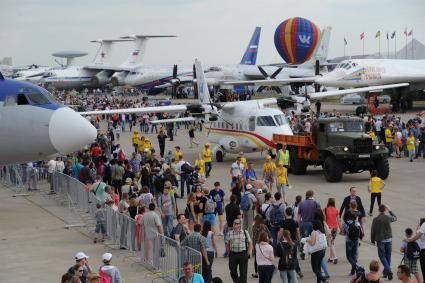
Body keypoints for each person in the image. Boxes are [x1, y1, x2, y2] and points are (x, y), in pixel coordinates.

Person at [371, 204, 397, 280]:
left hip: (381, 239)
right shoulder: (388, 217)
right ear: (385, 210)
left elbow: (373, 231)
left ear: (378, 210)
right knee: (388, 257)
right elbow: (395, 218)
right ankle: (386, 274)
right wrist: (390, 211)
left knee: (382, 256)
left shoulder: (376, 219)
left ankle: (388, 270)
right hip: (389, 239)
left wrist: (372, 240)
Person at [226, 218, 252, 283]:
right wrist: (229, 253)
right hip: (233, 254)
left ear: (240, 224)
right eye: (235, 223)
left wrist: (249, 251)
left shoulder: (245, 232)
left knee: (243, 272)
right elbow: (227, 243)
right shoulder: (229, 233)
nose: (236, 225)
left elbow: (250, 242)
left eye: (237, 223)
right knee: (233, 271)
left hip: (243, 254)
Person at [297, 190, 320, 260]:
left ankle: (302, 253)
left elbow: (299, 216)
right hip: (313, 223)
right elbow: (319, 214)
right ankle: (313, 252)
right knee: (313, 239)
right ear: (312, 195)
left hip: (303, 223)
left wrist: (298, 224)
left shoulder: (301, 203)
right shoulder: (316, 203)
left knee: (303, 238)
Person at [342, 211, 362, 276]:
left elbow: (343, 233)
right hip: (356, 240)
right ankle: (353, 271)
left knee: (349, 257)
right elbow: (360, 231)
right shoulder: (356, 222)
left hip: (349, 241)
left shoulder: (345, 223)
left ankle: (357, 267)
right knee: (353, 256)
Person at [252, 215, 271, 279]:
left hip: (257, 245)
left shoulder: (254, 227)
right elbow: (269, 234)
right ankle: (264, 271)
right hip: (264, 245)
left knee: (256, 259)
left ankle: (256, 273)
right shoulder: (264, 227)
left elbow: (254, 237)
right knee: (264, 258)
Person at [323, 198, 341, 264]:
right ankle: (331, 258)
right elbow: (338, 220)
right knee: (332, 242)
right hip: (335, 228)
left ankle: (335, 257)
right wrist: (341, 228)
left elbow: (324, 219)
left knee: (330, 243)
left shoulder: (325, 210)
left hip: (329, 228)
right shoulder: (336, 210)